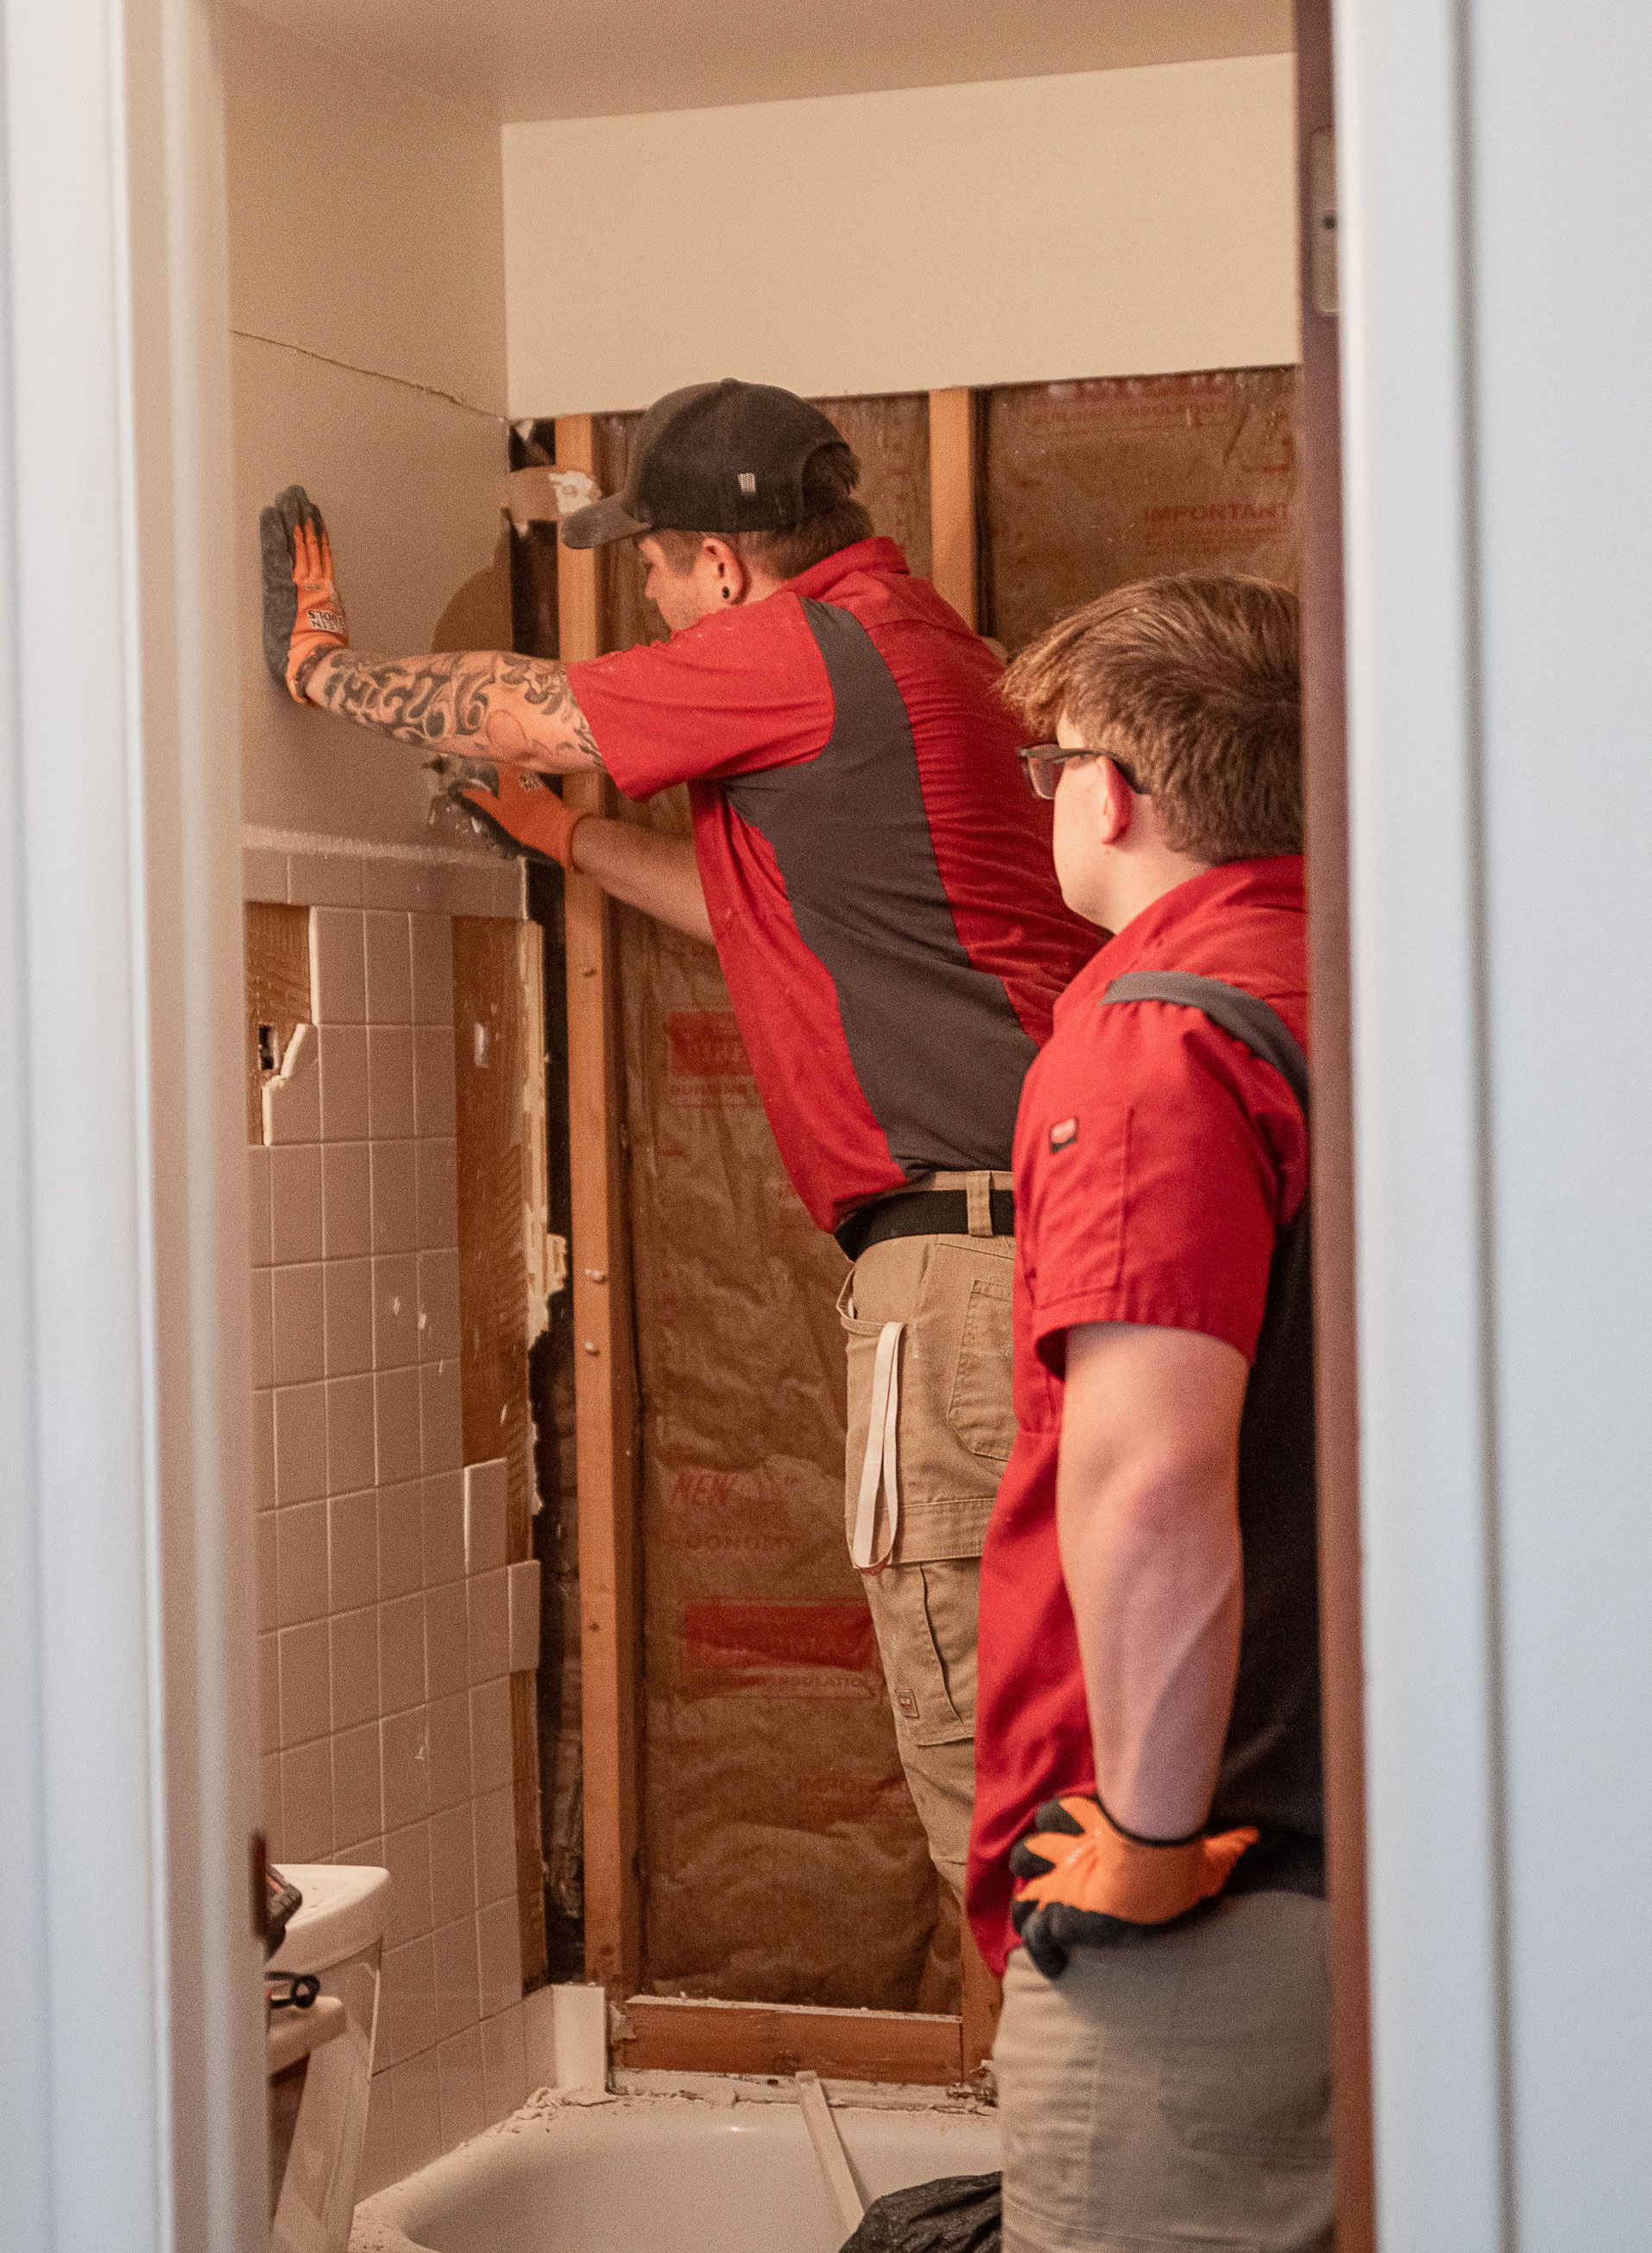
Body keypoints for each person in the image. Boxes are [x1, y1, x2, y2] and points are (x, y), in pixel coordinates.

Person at [260, 379, 1098, 1903]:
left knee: (980, 1727)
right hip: (1045, 1232)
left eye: (652, 565)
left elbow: (542, 706)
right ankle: (1083, 2116)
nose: (647, 595)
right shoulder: (917, 650)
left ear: (725, 561)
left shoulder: (807, 649)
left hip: (968, 1269)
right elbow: (781, 925)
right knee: (1064, 1711)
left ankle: (1072, 2121)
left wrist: (322, 672)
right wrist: (570, 838)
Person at [967, 574, 1331, 2250]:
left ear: (1113, 790)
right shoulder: (1380, 981)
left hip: (1230, 1868)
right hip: (1406, 1816)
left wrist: (1147, 1840)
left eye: (1051, 767)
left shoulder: (1161, 1034)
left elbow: (1155, 1478)